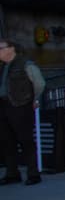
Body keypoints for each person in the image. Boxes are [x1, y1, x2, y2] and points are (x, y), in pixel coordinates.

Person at [0, 39, 45, 186]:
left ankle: (33, 174)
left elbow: (39, 83)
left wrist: (35, 99)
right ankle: (12, 173)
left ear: (11, 49)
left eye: (1, 48)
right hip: (4, 106)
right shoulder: (3, 67)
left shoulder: (25, 64)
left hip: (20, 106)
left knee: (26, 140)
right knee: (7, 141)